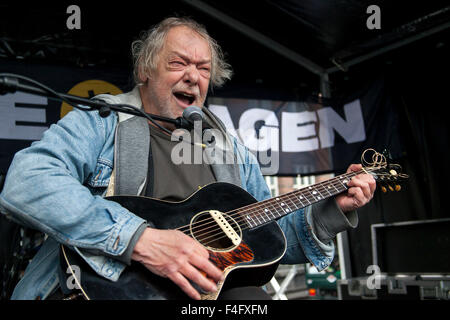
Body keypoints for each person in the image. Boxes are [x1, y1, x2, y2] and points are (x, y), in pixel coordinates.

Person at [0, 17, 376, 300]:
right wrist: (141, 240)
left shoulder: (229, 148)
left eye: (204, 69)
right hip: (97, 288)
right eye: (179, 63)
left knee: (252, 301)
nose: (193, 77)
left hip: (198, 296)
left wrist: (331, 210)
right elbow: (27, 182)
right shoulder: (103, 122)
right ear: (145, 70)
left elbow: (273, 239)